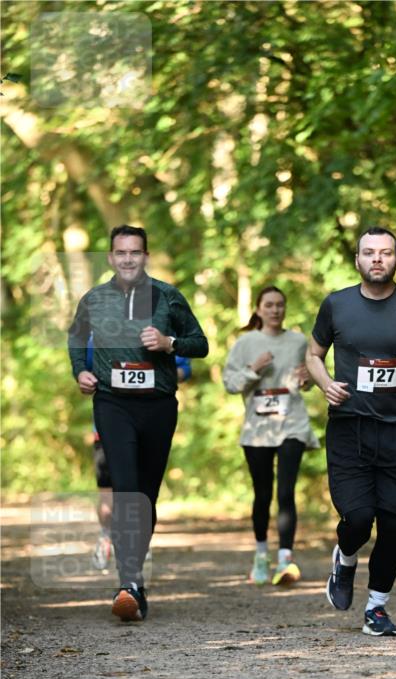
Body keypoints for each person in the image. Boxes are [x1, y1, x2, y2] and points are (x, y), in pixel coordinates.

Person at [306, 226, 396, 637]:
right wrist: (324, 383)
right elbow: (314, 354)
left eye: (385, 252)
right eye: (369, 252)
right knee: (357, 518)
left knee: (392, 525)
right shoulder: (336, 305)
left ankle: (376, 608)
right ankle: (346, 555)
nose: (377, 259)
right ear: (357, 260)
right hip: (349, 429)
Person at [68, 224, 208, 621]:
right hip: (113, 404)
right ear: (111, 257)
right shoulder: (94, 299)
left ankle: (135, 578)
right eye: (121, 252)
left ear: (146, 256)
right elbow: (76, 338)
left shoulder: (168, 296)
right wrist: (81, 371)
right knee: (126, 490)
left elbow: (201, 343)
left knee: (146, 497)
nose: (128, 259)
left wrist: (170, 344)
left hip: (158, 406)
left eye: (135, 252)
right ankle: (128, 583)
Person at [223, 285, 318, 586]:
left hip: (292, 423)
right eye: (269, 305)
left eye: (280, 305)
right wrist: (254, 368)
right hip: (258, 429)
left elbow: (311, 379)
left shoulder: (298, 340)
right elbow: (230, 383)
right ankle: (261, 555)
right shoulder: (245, 343)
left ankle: (285, 560)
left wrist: (307, 380)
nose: (275, 310)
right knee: (263, 494)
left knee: (286, 492)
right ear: (258, 309)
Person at [86, 333, 193, 572]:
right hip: (108, 427)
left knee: (140, 488)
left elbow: (185, 368)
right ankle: (106, 535)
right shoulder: (100, 333)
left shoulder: (163, 331)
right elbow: (87, 368)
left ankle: (136, 544)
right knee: (108, 495)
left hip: (149, 421)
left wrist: (159, 377)